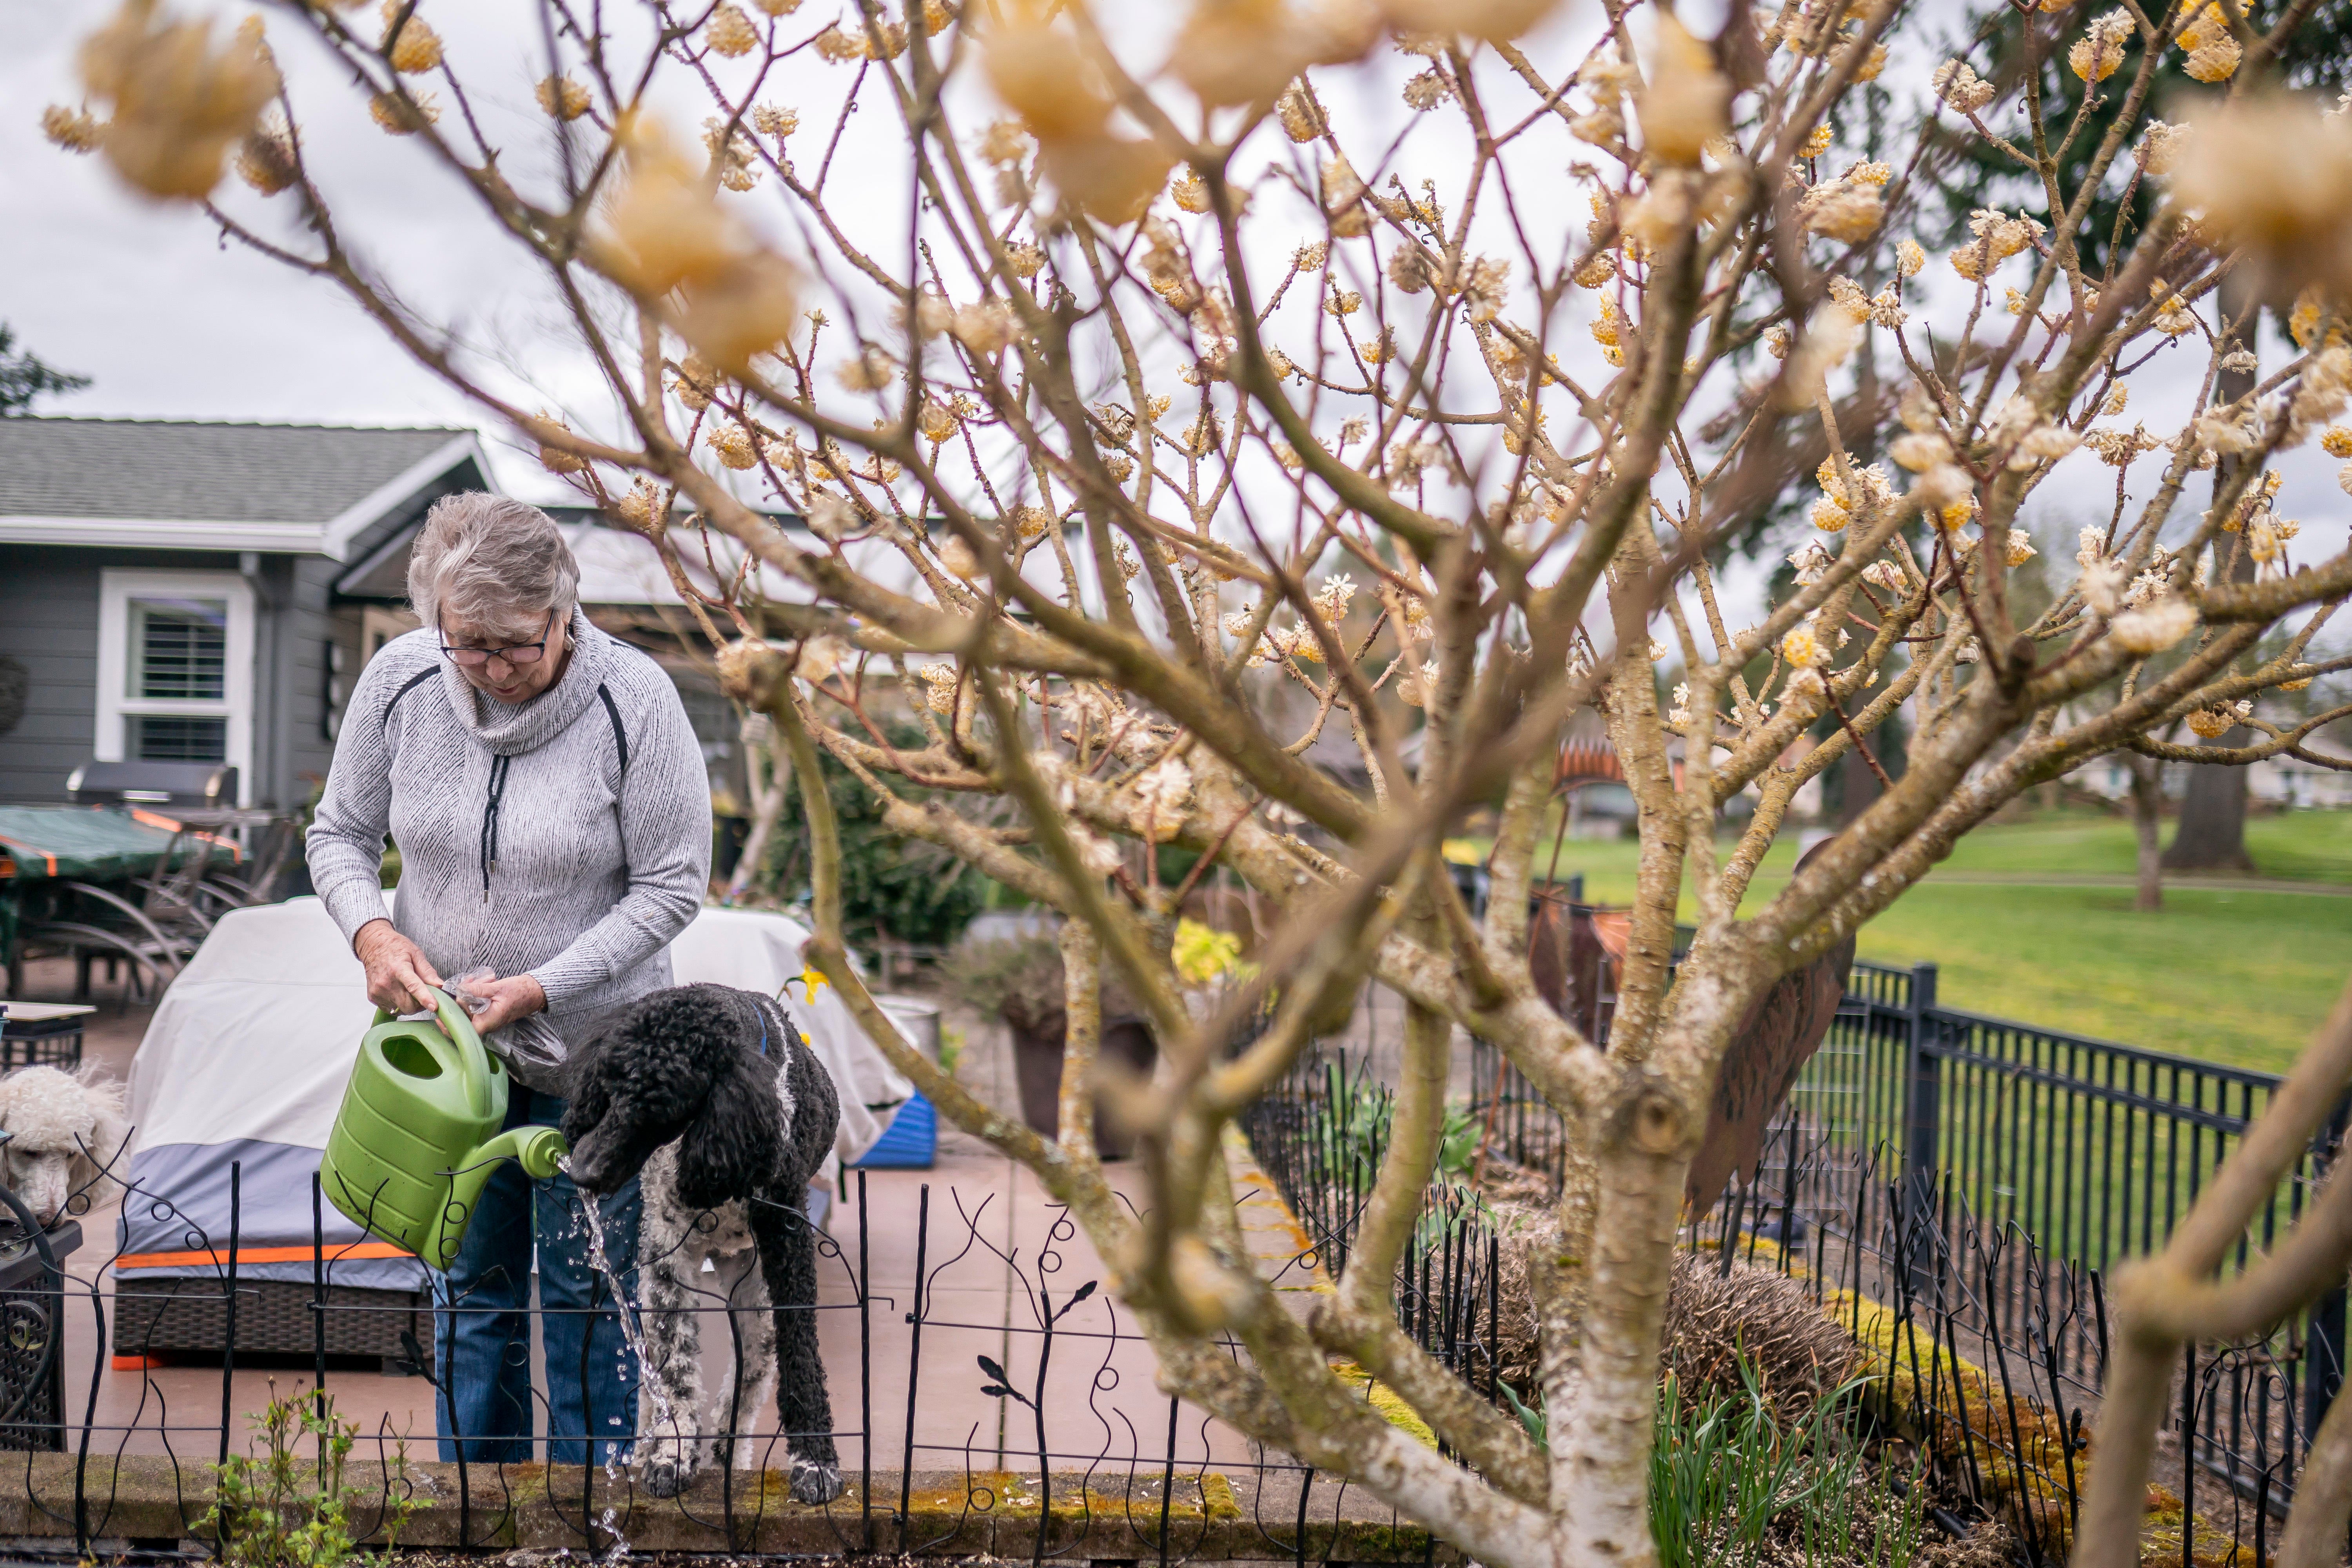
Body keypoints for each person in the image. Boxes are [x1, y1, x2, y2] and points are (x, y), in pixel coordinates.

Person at [307, 493, 711, 1464]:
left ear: (563, 612)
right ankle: (475, 1519)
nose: (490, 670)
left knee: (585, 1298)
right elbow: (340, 835)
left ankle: (587, 1516)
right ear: (435, 621)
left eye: (516, 647)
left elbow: (672, 888)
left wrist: (541, 984)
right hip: (453, 1058)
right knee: (472, 1288)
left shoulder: (636, 699)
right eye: (467, 644)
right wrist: (371, 933)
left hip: (598, 1056)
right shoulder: (402, 680)